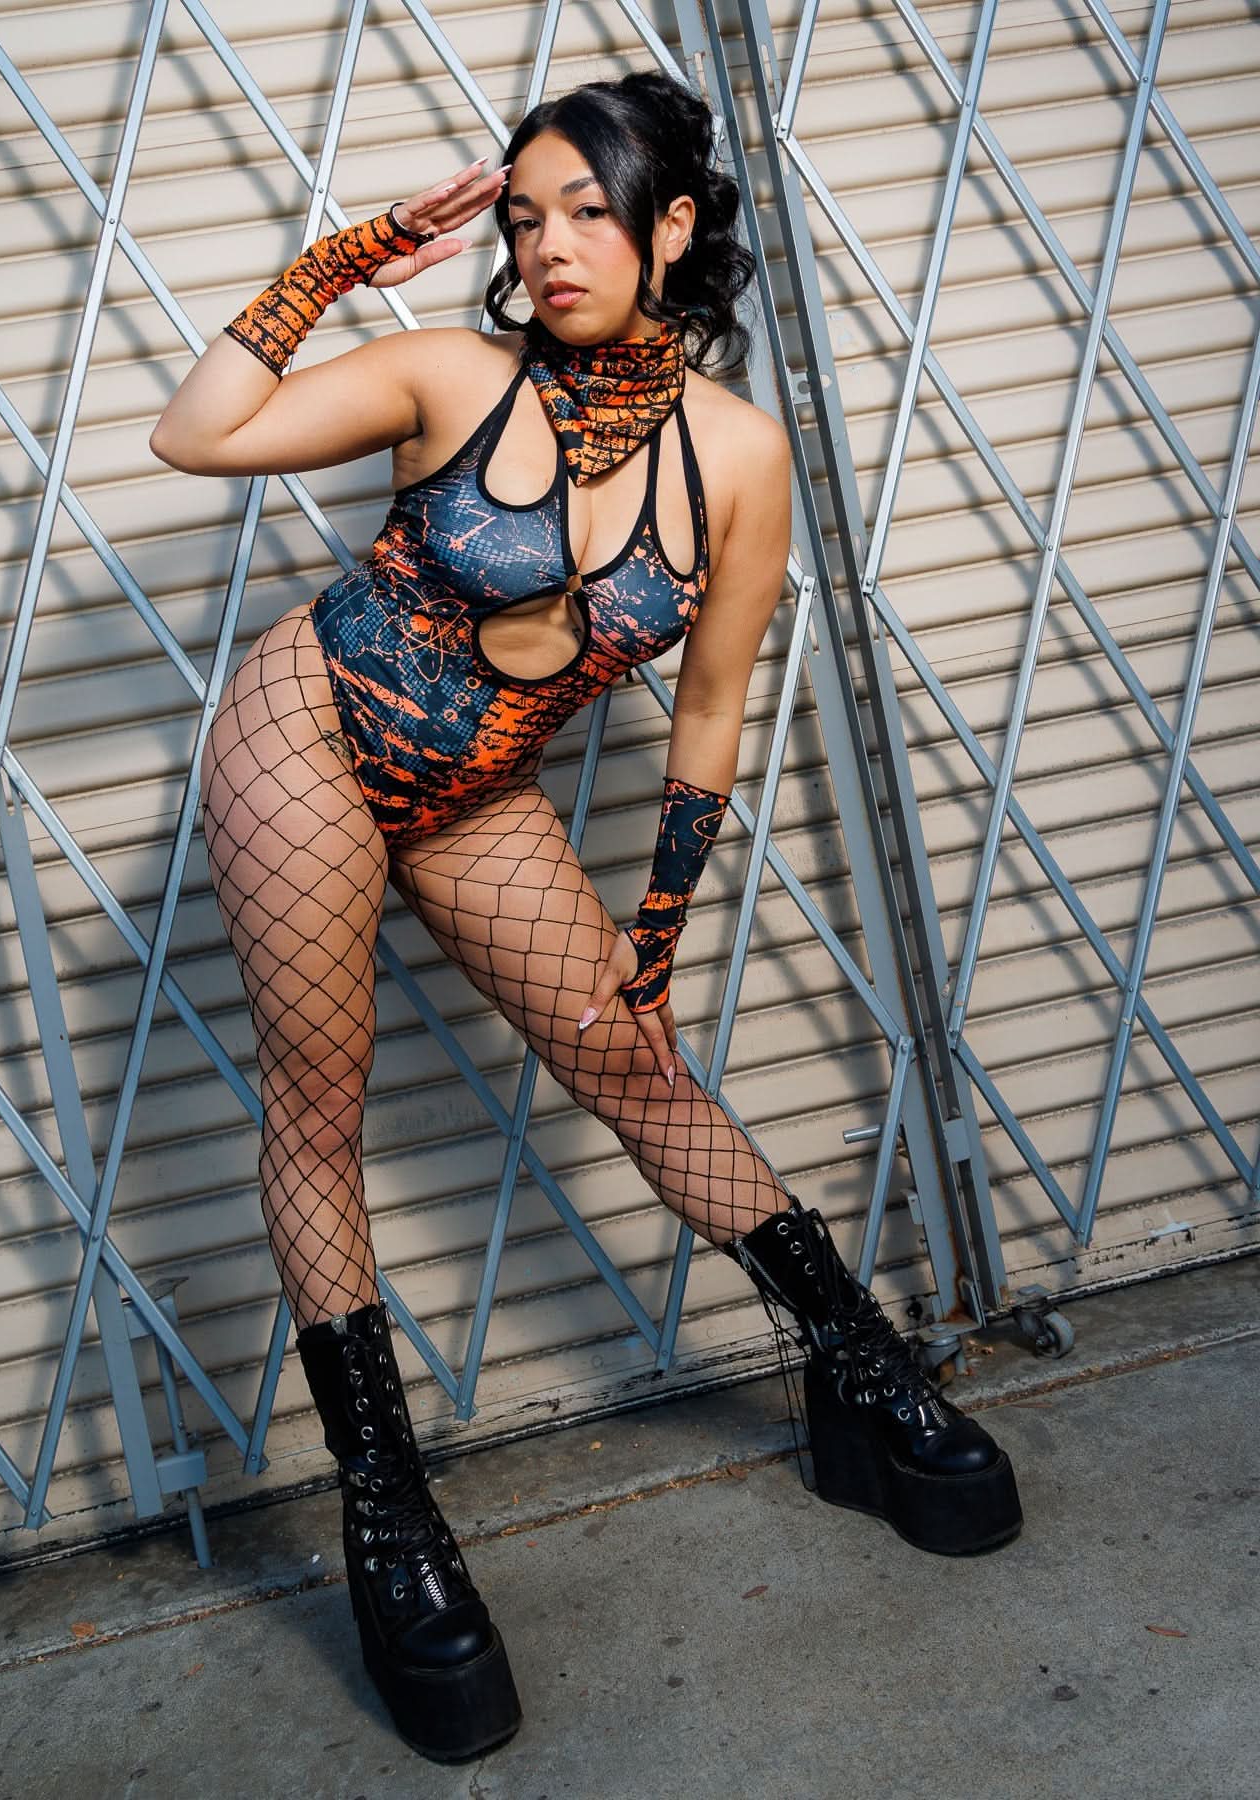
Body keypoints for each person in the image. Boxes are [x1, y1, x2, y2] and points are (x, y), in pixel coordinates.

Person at [149, 69, 1022, 1766]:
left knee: (635, 1066)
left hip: (473, 792)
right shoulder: (451, 372)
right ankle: (392, 1523)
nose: (548, 245)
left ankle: (862, 1369)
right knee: (320, 1102)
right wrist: (338, 262)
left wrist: (669, 911)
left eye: (589, 212)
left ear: (671, 228)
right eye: (526, 213)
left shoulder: (744, 459)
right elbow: (198, 435)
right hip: (309, 733)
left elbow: (710, 711)